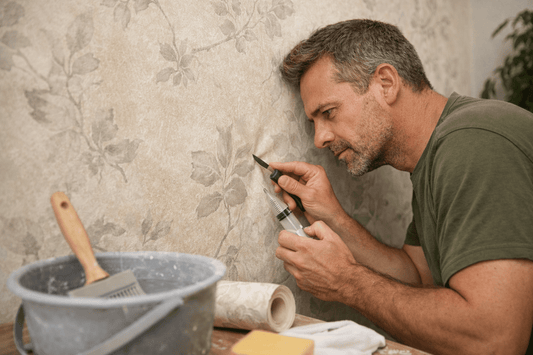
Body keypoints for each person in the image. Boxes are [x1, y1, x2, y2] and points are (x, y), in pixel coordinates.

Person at [270, 19, 533, 355]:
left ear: (386, 83)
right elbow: (417, 277)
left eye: (329, 112)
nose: (320, 138)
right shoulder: (435, 157)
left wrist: (345, 282)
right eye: (314, 123)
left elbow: (494, 340)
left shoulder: (472, 144)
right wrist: (334, 216)